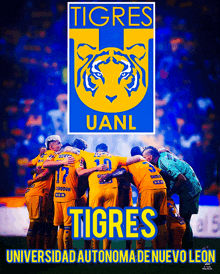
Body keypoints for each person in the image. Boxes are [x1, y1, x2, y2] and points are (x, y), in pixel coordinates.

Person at [77, 143, 145, 250]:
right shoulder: (114, 158)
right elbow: (127, 167)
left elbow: (69, 149)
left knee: (94, 223)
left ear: (96, 151)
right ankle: (107, 251)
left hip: (96, 191)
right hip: (116, 193)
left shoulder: (88, 156)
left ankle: (94, 251)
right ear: (107, 151)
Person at [100, 146, 168, 250]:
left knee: (142, 220)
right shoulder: (148, 163)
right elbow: (165, 174)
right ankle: (161, 252)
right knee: (161, 220)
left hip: (148, 189)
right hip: (162, 187)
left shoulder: (130, 163)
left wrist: (109, 176)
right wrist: (167, 188)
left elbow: (122, 171)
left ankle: (139, 251)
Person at [142, 146, 202, 250]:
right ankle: (184, 248)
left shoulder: (164, 163)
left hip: (190, 190)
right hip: (190, 186)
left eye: (144, 157)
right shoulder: (162, 155)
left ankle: (188, 250)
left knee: (185, 221)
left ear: (150, 157)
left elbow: (181, 179)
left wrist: (170, 192)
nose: (144, 160)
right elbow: (164, 149)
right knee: (184, 220)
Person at [25, 135, 62, 249]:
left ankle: (38, 252)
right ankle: (31, 253)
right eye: (58, 143)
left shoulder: (43, 154)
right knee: (35, 224)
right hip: (38, 191)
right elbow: (47, 171)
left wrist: (36, 167)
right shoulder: (52, 154)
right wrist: (33, 179)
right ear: (51, 146)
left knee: (40, 224)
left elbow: (30, 164)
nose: (60, 145)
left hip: (37, 191)